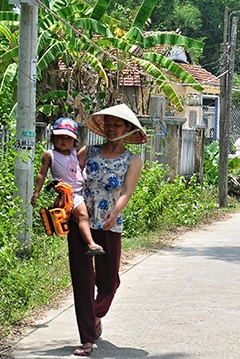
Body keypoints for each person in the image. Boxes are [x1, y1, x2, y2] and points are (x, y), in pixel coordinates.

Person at [68, 104, 147, 357]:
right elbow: (69, 177)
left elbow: (126, 192)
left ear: (128, 129)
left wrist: (115, 211)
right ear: (102, 128)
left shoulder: (132, 160)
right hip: (80, 223)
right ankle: (87, 338)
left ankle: (95, 314)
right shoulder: (87, 152)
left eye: (117, 125)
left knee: (109, 282)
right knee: (83, 282)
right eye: (108, 124)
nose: (112, 129)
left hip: (110, 225)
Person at [32, 117, 105, 256]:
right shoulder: (50, 155)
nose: (63, 141)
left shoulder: (74, 153)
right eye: (60, 137)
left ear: (74, 140)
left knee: (83, 217)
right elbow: (41, 173)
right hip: (68, 194)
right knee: (83, 216)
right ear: (53, 137)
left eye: (68, 138)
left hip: (81, 192)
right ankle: (91, 243)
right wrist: (37, 192)